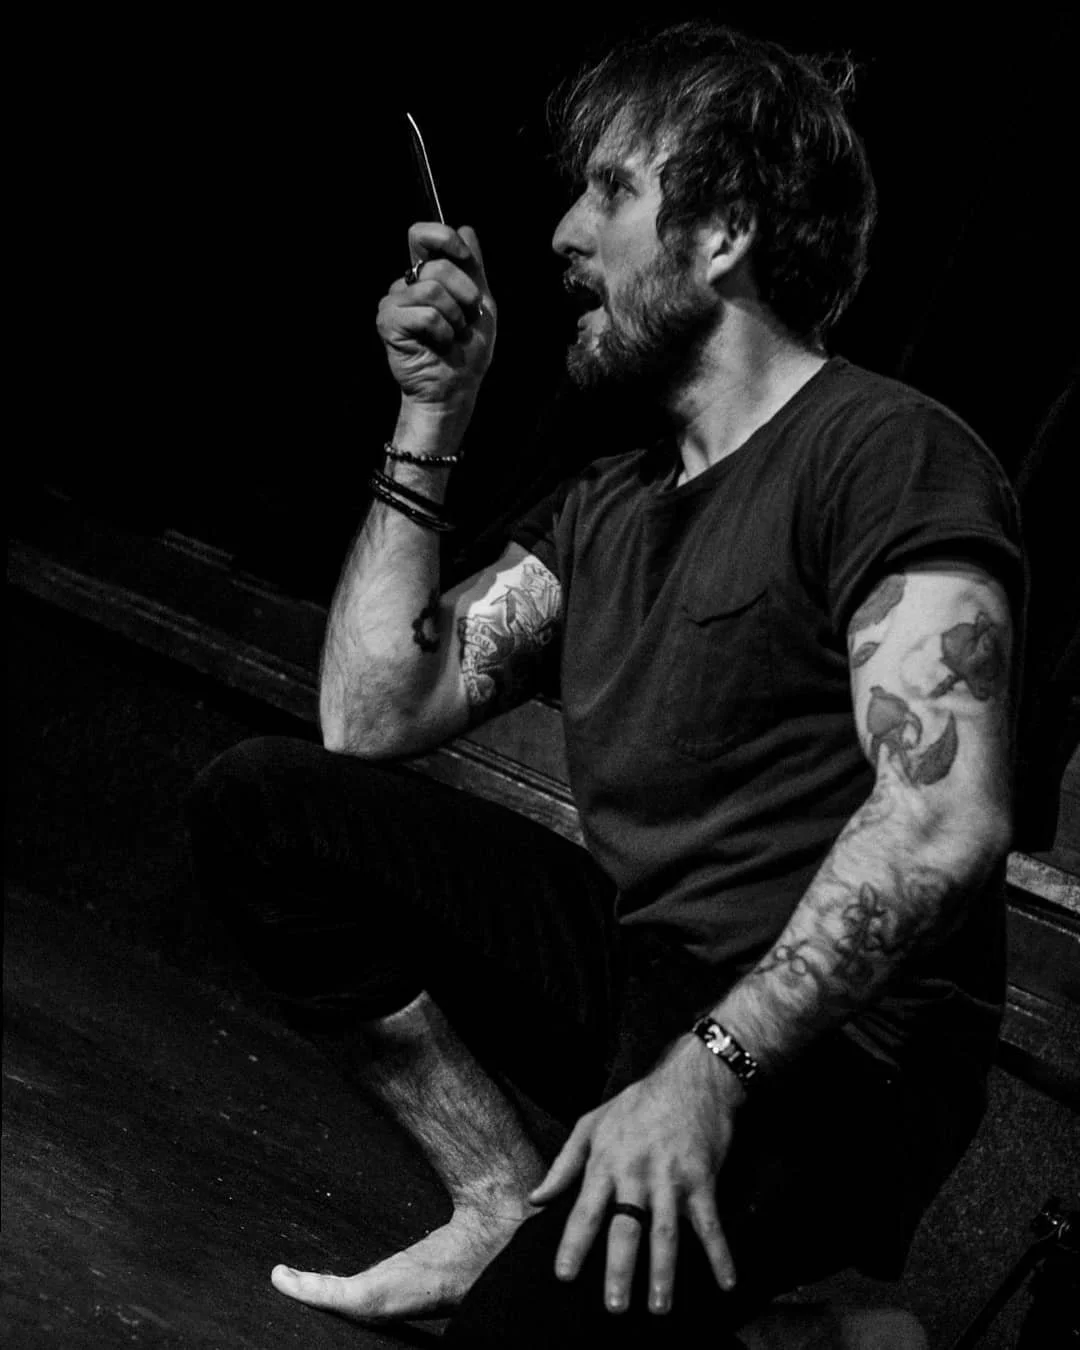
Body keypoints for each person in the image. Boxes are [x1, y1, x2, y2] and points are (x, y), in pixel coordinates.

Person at [186, 21, 1024, 1347]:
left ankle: (804, 1332)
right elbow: (372, 715)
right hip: (652, 983)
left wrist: (709, 1072)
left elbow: (944, 817)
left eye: (612, 192)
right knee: (270, 806)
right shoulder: (615, 498)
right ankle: (496, 1204)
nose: (566, 233)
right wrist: (433, 410)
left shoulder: (889, 454)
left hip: (834, 1061)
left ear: (725, 232)